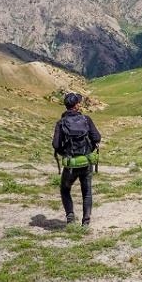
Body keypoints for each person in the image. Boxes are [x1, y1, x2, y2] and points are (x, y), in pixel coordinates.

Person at [51, 93, 101, 226]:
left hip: (71, 164)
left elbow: (56, 145)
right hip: (86, 161)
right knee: (87, 192)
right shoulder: (86, 120)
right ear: (77, 105)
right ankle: (86, 221)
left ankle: (70, 218)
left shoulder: (61, 123)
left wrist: (65, 153)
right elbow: (97, 138)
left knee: (65, 189)